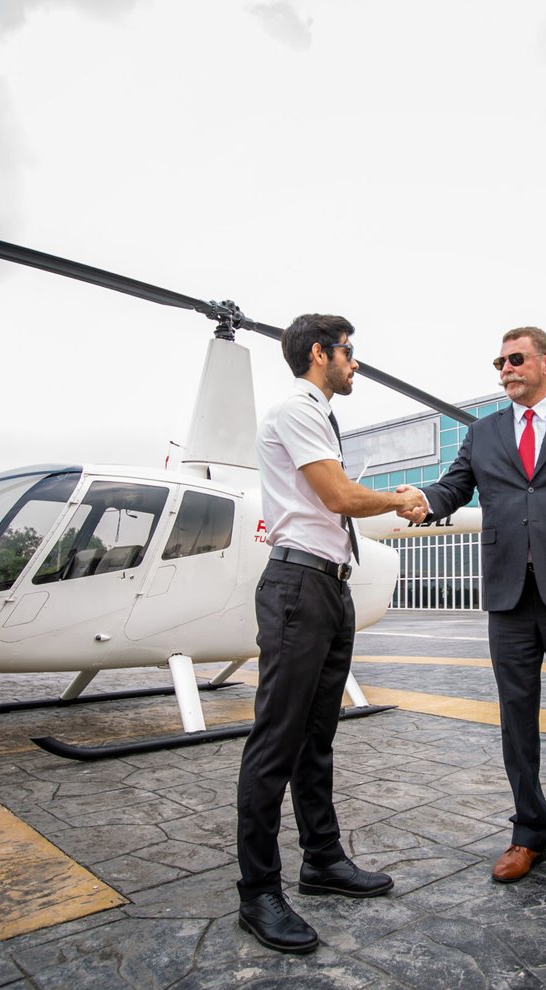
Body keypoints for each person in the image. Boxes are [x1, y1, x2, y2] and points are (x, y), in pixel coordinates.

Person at [405, 326, 546, 883]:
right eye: (499, 363)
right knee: (516, 721)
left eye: (515, 359)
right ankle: (529, 833)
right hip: (508, 597)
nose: (505, 369)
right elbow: (453, 488)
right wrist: (420, 500)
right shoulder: (483, 433)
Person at [235, 313, 428, 954]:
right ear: (321, 353)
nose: (355, 363)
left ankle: (321, 859)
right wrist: (401, 498)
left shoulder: (317, 413)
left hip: (329, 587)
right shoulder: (297, 409)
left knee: (317, 738)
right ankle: (258, 891)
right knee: (277, 741)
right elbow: (339, 497)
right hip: (298, 589)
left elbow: (336, 502)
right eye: (348, 352)